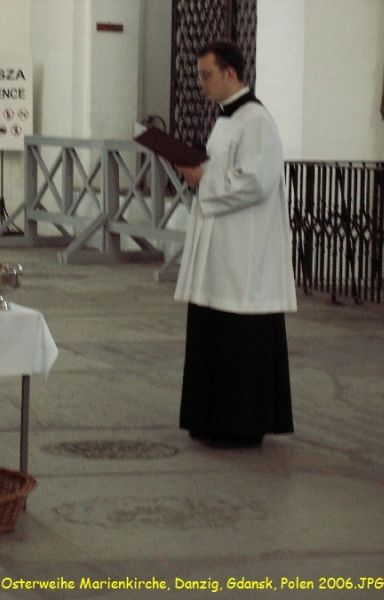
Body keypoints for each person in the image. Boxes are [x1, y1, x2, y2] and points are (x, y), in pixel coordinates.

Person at [174, 40, 297, 447]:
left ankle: (241, 426)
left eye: (206, 75)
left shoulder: (256, 120)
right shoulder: (227, 120)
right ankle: (209, 419)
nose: (201, 82)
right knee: (213, 331)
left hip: (243, 253)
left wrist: (204, 179)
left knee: (238, 337)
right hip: (220, 249)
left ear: (230, 73)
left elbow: (255, 181)